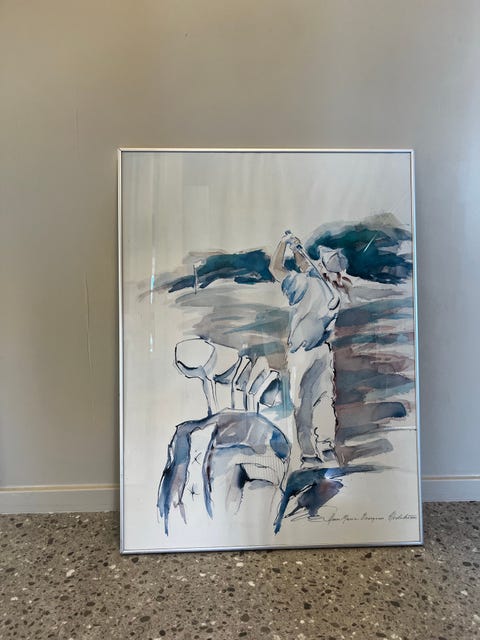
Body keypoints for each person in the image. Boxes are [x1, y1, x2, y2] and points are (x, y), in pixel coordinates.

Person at [269, 231, 347, 466]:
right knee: (323, 399)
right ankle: (327, 447)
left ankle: (308, 454)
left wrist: (283, 243)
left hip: (301, 354)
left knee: (301, 403)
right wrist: (297, 249)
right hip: (323, 351)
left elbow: (275, 268)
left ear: (321, 266)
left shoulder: (304, 283)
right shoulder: (335, 293)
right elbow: (306, 267)